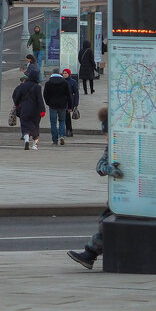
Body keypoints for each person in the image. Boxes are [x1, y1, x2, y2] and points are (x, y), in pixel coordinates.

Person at [66, 105, 123, 269]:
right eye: (105, 135)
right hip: (119, 194)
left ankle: (90, 254)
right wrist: (109, 169)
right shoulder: (111, 147)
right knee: (106, 221)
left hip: (134, 194)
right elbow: (100, 166)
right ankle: (90, 254)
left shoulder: (130, 143)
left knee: (109, 223)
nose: (106, 138)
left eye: (108, 134)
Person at [12, 70, 45, 150]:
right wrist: (42, 110)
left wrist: (16, 105)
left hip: (25, 109)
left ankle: (26, 140)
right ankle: (34, 145)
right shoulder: (37, 87)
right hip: (35, 110)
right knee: (35, 126)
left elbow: (17, 97)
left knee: (25, 126)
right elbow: (40, 99)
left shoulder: (23, 86)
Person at [42, 68, 72, 146]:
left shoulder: (48, 83)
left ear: (52, 73)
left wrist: (48, 103)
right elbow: (69, 95)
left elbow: (45, 95)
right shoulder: (65, 83)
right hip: (62, 105)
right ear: (59, 73)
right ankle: (62, 136)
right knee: (62, 121)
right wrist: (70, 106)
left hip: (52, 105)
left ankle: (55, 141)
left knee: (53, 123)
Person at [63, 68, 80, 137]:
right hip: (63, 101)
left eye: (66, 73)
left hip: (69, 101)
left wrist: (76, 103)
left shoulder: (73, 82)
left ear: (69, 74)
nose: (64, 75)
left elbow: (76, 93)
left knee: (67, 116)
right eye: (63, 73)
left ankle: (69, 130)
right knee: (64, 116)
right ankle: (67, 130)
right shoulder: (61, 81)